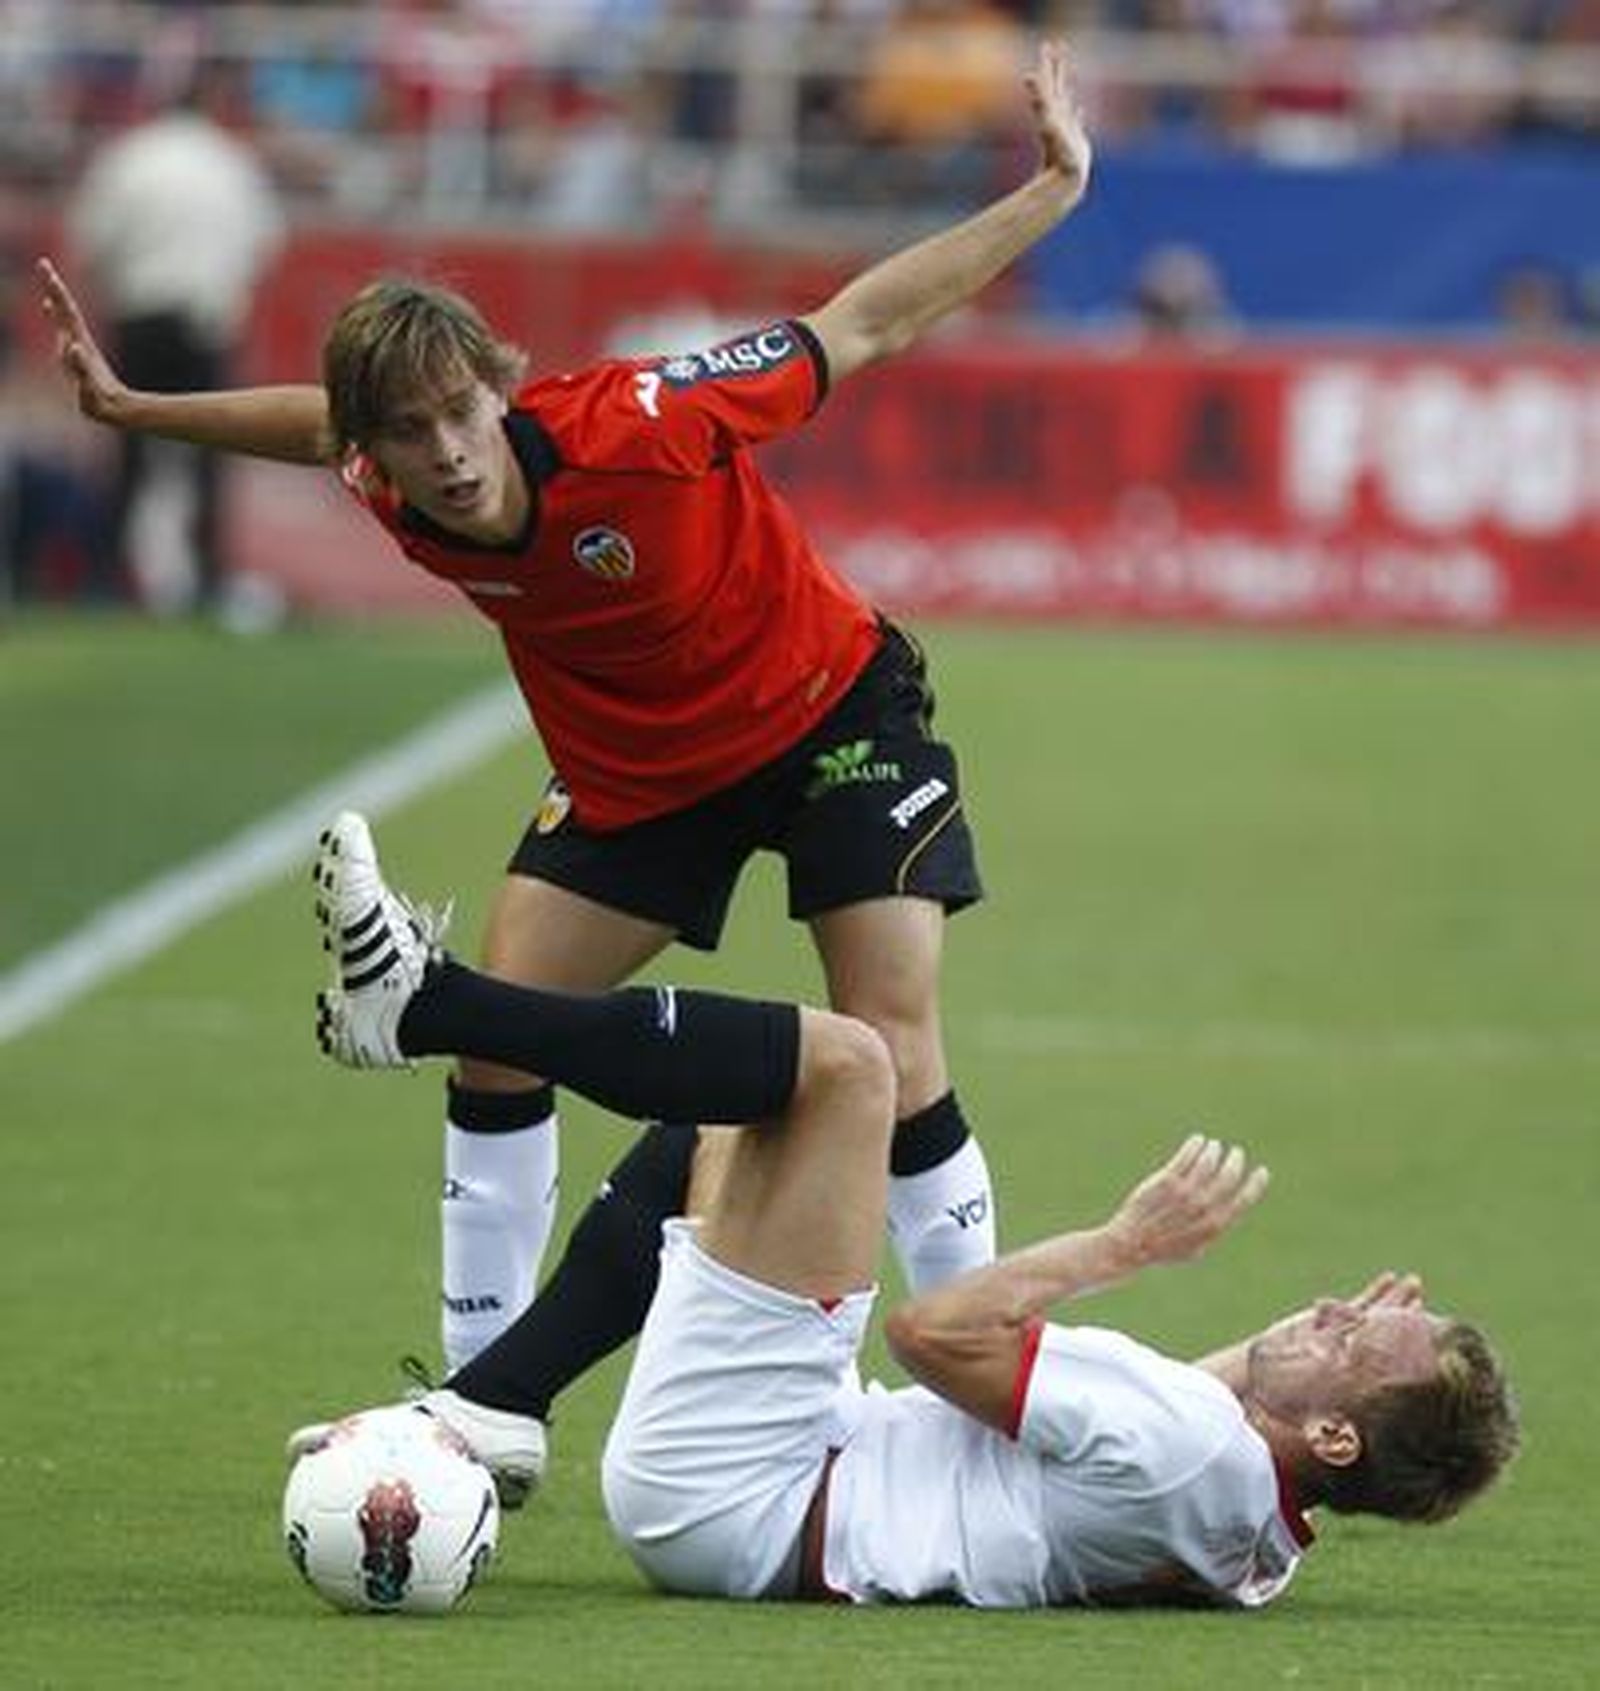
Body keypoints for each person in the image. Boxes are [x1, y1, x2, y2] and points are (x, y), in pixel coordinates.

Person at [42, 42, 1096, 1385]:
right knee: (495, 1032)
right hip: (640, 772)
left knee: (889, 1041)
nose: (448, 453)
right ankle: (474, 1407)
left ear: (501, 387)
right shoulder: (383, 473)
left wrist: (1048, 192)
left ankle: (981, 1378)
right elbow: (314, 424)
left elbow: (862, 324)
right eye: (408, 433)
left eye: (460, 413)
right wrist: (134, 407)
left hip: (831, 716)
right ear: (375, 451)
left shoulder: (643, 422)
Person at [298, 810, 1520, 1607]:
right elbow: (1180, 1418)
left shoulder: (1196, 1446)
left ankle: (429, 1005)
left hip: (754, 1481)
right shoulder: (1251, 1518)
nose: (1329, 1308)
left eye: (1351, 1341)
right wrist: (1342, 1363)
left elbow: (931, 1334)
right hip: (766, 1493)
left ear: (1336, 1437)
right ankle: (498, 1399)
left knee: (852, 1069)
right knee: (740, 1115)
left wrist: (1122, 1244)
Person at [63, 62, 285, 611]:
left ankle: (110, 578)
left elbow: (91, 243)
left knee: (129, 448)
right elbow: (265, 243)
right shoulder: (231, 162)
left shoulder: (129, 157)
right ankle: (207, 577)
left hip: (140, 317)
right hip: (205, 322)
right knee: (212, 450)